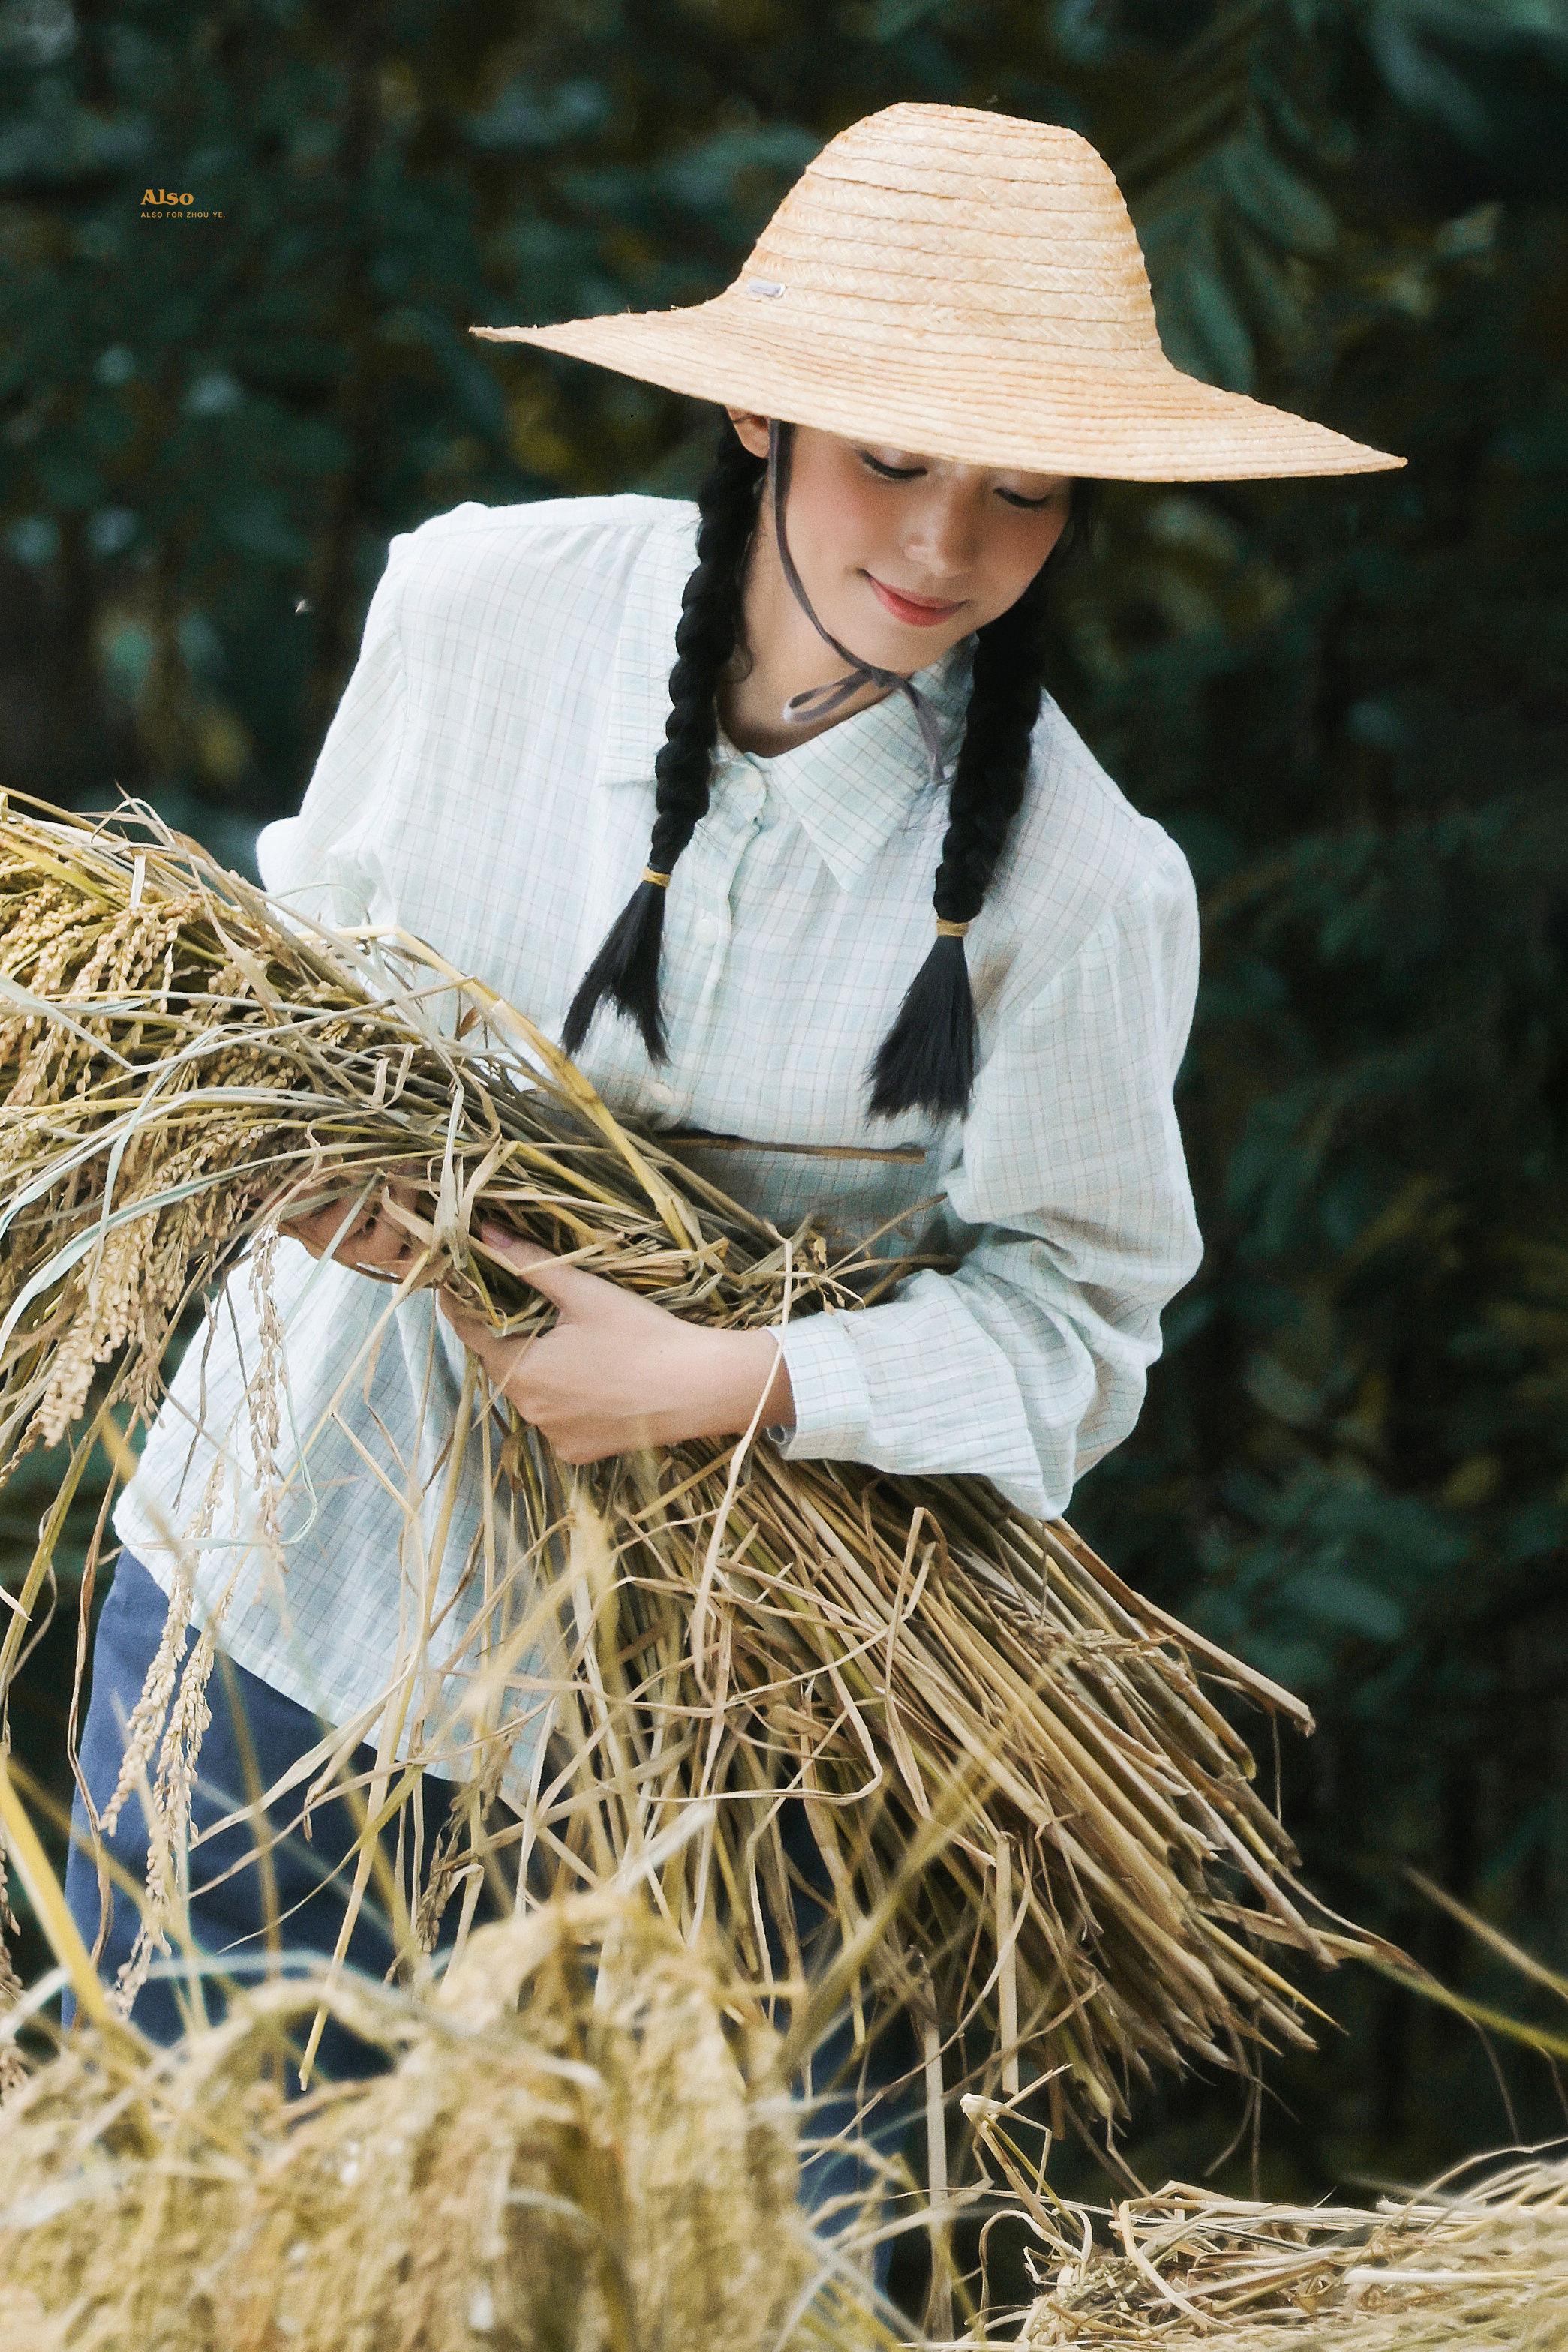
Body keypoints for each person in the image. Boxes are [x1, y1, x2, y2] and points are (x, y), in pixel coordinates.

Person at [64, 100, 1398, 2244]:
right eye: (891, 458)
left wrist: (726, 1382)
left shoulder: (1083, 884)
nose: (945, 547)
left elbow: (1078, 1324)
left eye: (1025, 493)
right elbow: (300, 983)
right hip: (272, 1596)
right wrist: (280, 1177)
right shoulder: (478, 605)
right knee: (201, 2240)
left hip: (715, 1747)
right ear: (764, 413)